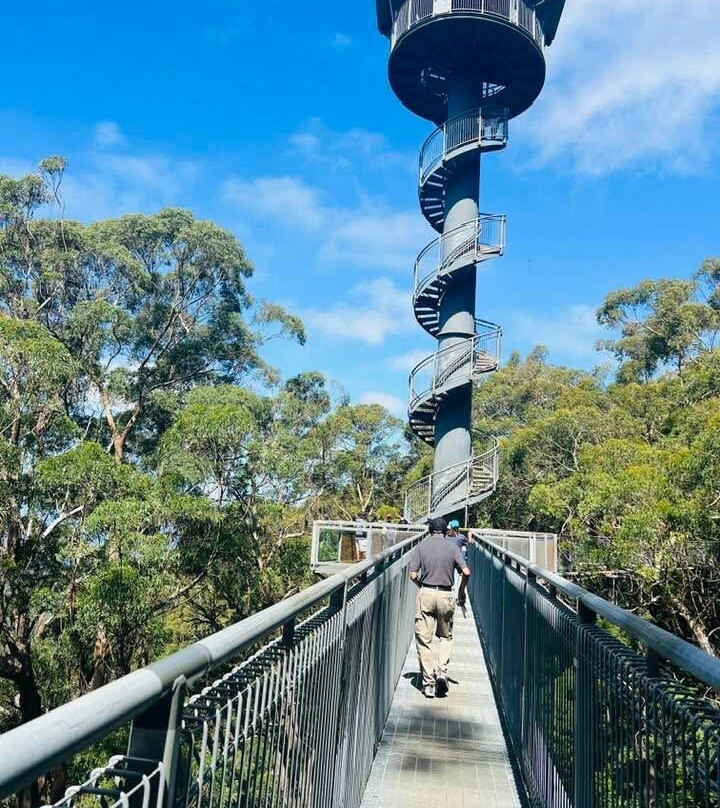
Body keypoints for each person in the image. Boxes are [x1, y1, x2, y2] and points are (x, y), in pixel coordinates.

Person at [409, 517, 470, 699]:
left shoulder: (421, 547)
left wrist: (422, 585)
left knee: (424, 640)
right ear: (446, 532)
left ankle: (428, 684)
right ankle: (442, 672)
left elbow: (413, 575)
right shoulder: (453, 547)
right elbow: (466, 572)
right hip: (446, 595)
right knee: (445, 636)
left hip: (426, 593)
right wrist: (461, 591)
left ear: (430, 531)